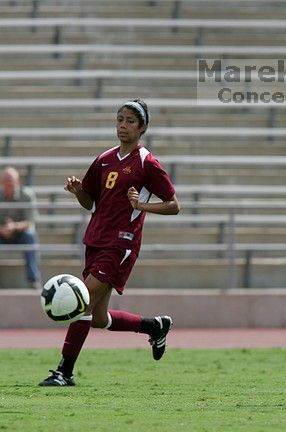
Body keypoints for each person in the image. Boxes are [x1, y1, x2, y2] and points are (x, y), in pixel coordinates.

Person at [39, 99, 180, 387]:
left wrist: (141, 206)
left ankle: (64, 372)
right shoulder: (104, 159)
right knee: (100, 318)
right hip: (95, 239)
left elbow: (173, 204)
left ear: (142, 127)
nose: (123, 126)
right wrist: (79, 191)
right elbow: (90, 202)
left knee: (82, 304)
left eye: (129, 121)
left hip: (121, 244)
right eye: (119, 120)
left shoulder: (146, 162)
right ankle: (154, 326)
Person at [0, 166, 41, 288]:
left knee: (30, 235)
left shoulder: (27, 195)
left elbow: (31, 221)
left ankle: (33, 280)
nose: (8, 185)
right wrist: (2, 229)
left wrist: (14, 226)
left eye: (11, 182)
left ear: (17, 181)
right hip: (1, 233)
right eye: (6, 182)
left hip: (20, 234)